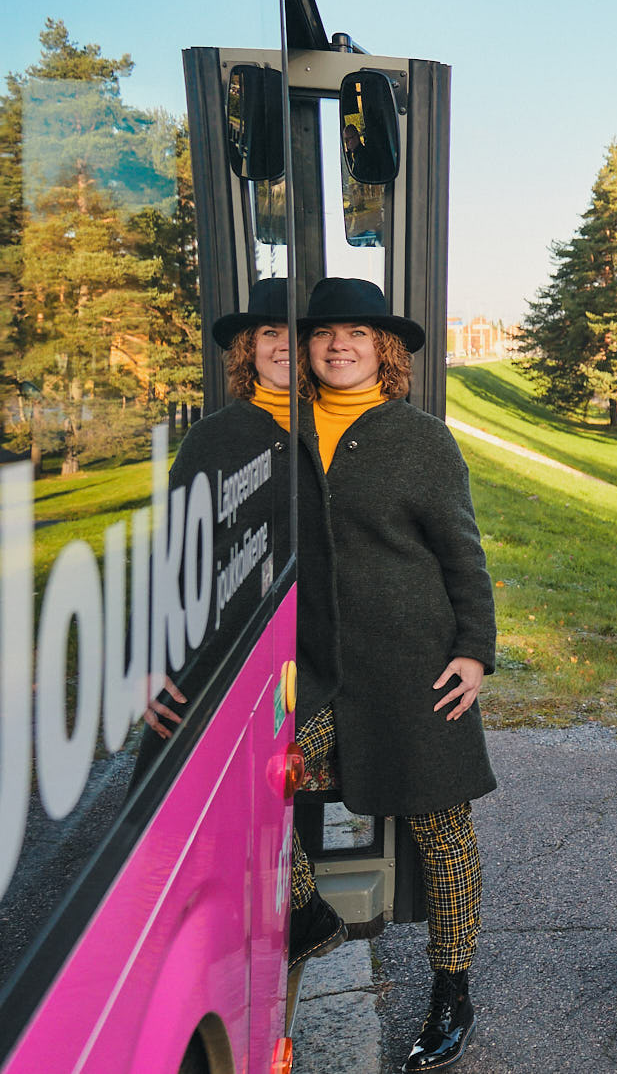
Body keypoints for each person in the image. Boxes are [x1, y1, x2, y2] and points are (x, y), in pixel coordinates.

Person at [297, 276, 498, 1074]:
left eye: (358, 332)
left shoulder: (422, 439)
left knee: (440, 827)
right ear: (305, 348)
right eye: (323, 333)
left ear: (386, 350)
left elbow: (463, 552)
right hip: (310, 673)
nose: (339, 344)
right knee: (245, 788)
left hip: (418, 667)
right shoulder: (282, 433)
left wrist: (475, 650)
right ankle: (307, 913)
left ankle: (452, 989)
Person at [145, 277, 348, 969]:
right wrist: (150, 656)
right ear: (247, 350)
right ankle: (291, 916)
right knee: (229, 795)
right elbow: (171, 552)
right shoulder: (218, 436)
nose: (283, 348)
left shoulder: (329, 429)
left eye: (296, 336)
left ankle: (286, 919)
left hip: (312, 654)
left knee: (268, 787)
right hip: (227, 654)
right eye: (268, 336)